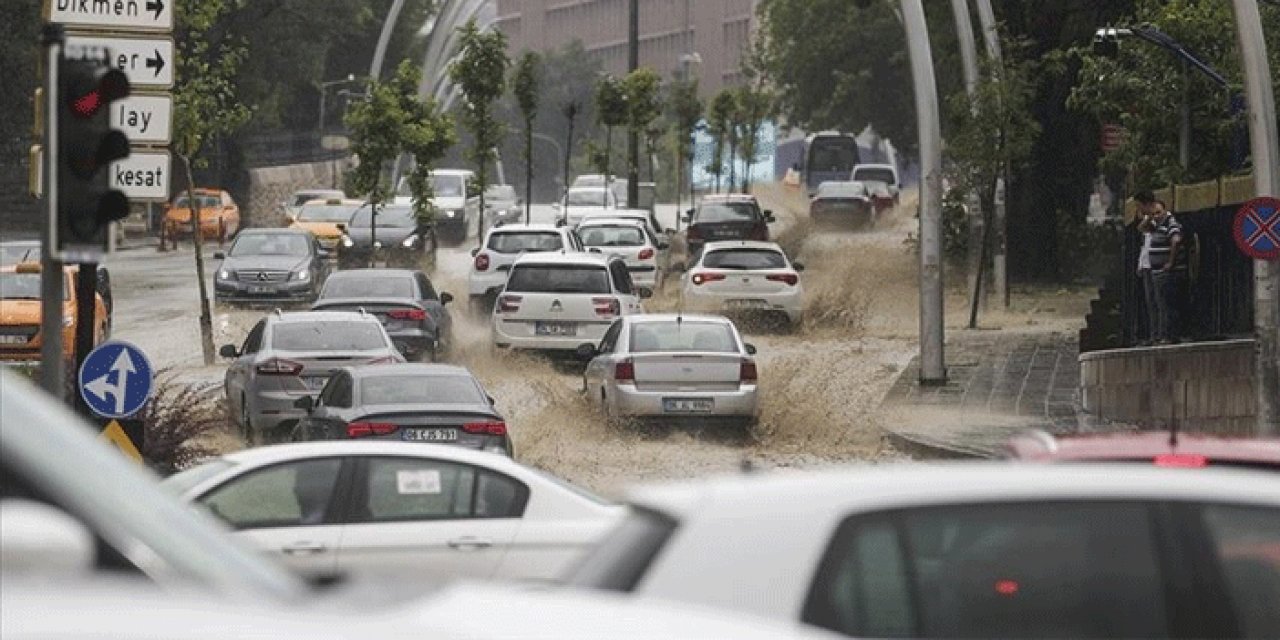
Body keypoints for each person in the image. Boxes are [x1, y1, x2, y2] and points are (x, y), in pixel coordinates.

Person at [1139, 199, 1184, 344]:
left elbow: (1176, 240)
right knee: (1158, 303)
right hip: (1155, 271)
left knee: (1165, 304)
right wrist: (1149, 218)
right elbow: (1142, 228)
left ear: (1165, 211)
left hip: (1165, 272)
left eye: (1159, 213)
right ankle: (1160, 335)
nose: (1156, 216)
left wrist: (1170, 262)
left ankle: (1168, 335)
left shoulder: (1171, 223)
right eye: (1154, 214)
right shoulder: (1157, 226)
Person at [1133, 191, 1158, 345]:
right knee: (1150, 302)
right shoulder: (1148, 221)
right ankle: (1153, 333)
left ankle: (1157, 334)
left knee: (1156, 301)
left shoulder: (1155, 219)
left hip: (1155, 264)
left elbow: (1141, 228)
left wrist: (1148, 217)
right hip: (1146, 264)